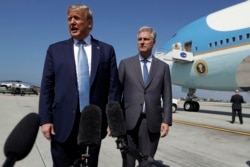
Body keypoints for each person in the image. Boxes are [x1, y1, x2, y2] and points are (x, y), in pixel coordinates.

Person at [39, 4, 121, 167]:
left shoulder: (106, 50)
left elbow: (113, 89)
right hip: (61, 123)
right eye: (69, 19)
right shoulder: (55, 50)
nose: (72, 22)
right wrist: (45, 119)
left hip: (93, 124)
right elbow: (47, 88)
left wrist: (113, 120)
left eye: (76, 18)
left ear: (89, 23)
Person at [118, 26, 172, 167]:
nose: (142, 42)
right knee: (128, 163)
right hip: (128, 123)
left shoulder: (163, 68)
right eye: (139, 39)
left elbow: (167, 96)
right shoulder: (125, 64)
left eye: (146, 39)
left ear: (153, 42)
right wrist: (114, 121)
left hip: (151, 123)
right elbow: (116, 94)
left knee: (147, 163)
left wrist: (166, 120)